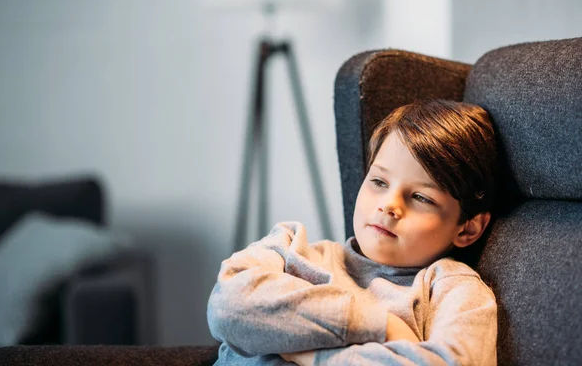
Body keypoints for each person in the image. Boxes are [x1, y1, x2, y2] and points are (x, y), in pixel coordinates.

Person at [207, 99, 498, 365]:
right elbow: (227, 307)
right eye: (379, 182)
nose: (389, 206)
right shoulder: (290, 247)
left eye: (421, 198)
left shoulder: (453, 289)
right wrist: (380, 326)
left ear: (468, 228)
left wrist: (310, 354)